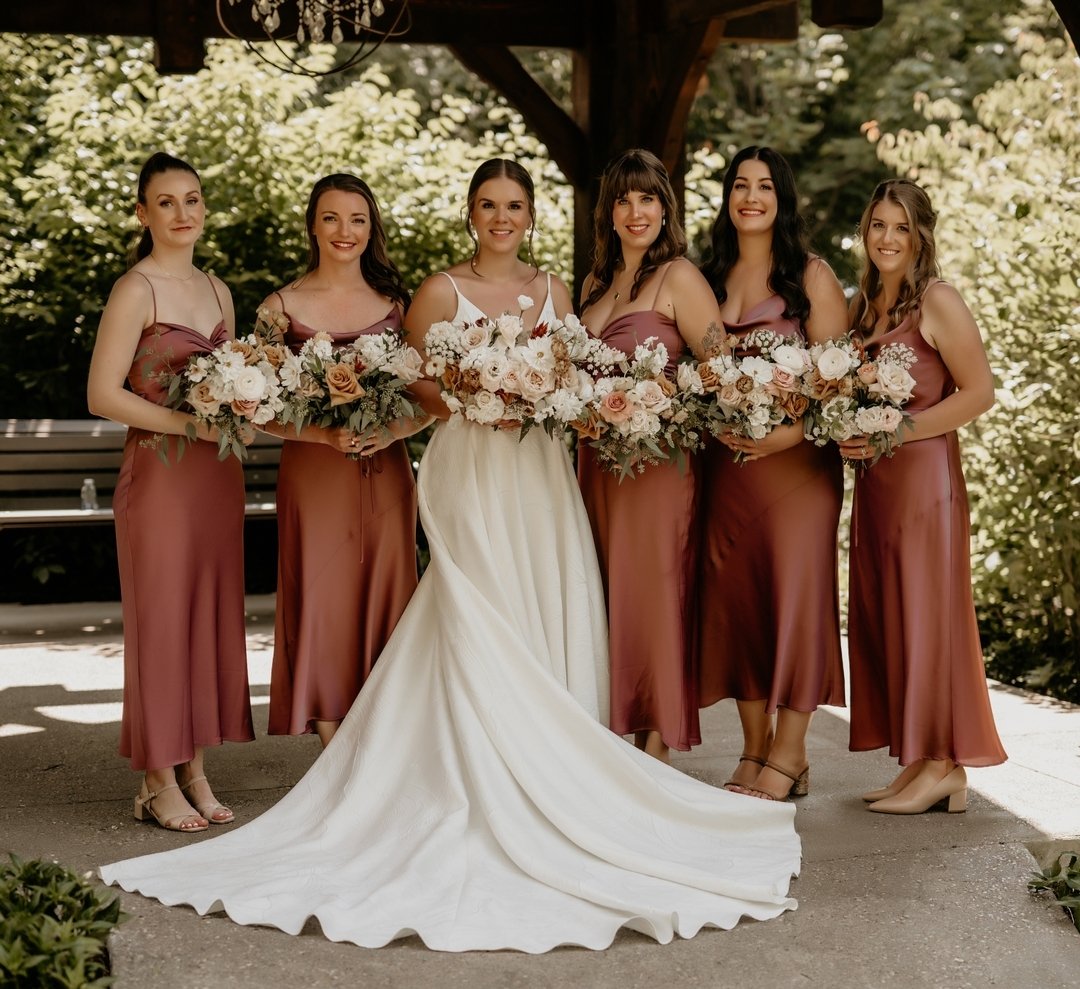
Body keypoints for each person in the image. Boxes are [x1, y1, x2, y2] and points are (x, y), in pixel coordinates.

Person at [99, 159, 800, 952]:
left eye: (514, 205)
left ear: (531, 216)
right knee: (472, 604)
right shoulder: (434, 293)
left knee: (543, 600)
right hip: (468, 468)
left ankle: (554, 768)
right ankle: (445, 771)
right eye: (487, 205)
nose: (501, 217)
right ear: (469, 214)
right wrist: (470, 397)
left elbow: (572, 382)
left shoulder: (558, 293)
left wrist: (535, 394)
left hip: (535, 471)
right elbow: (418, 392)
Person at [87, 152, 253, 833]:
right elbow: (101, 394)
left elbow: (237, 379)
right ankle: (156, 780)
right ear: (142, 212)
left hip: (218, 476)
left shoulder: (218, 289)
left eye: (192, 199)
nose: (183, 213)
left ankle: (195, 768)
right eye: (166, 202)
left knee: (208, 619)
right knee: (162, 621)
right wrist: (189, 421)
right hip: (158, 473)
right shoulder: (136, 289)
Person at [839, 178, 1006, 813]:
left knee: (930, 615)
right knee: (891, 615)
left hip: (924, 482)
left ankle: (946, 762)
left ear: (920, 236)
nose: (887, 238)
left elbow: (978, 392)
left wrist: (898, 429)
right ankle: (922, 762)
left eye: (900, 228)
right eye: (878, 225)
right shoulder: (865, 307)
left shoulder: (938, 300)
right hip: (879, 487)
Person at [696, 146, 847, 801]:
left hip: (798, 470)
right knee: (738, 602)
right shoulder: (705, 277)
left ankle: (791, 749)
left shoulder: (811, 277)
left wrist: (784, 433)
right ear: (727, 195)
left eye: (764, 186)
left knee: (795, 598)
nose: (750, 196)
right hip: (724, 469)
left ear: (782, 198)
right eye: (739, 184)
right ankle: (755, 745)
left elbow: (837, 385)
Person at [259, 174, 425, 749]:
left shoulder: (396, 307)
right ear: (312, 224)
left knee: (391, 594)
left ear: (371, 227)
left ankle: (388, 743)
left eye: (357, 219)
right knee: (322, 596)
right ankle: (333, 751)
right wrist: (324, 436)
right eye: (331, 218)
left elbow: (425, 395)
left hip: (387, 473)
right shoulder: (278, 308)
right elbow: (253, 407)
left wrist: (391, 428)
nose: (344, 231)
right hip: (315, 474)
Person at [576, 148, 720, 762]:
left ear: (666, 209)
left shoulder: (680, 278)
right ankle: (617, 733)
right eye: (624, 200)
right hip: (597, 465)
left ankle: (656, 743)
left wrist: (656, 403)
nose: (636, 212)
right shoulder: (592, 284)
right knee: (605, 590)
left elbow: (719, 373)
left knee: (655, 589)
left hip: (659, 464)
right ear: (607, 213)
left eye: (648, 199)